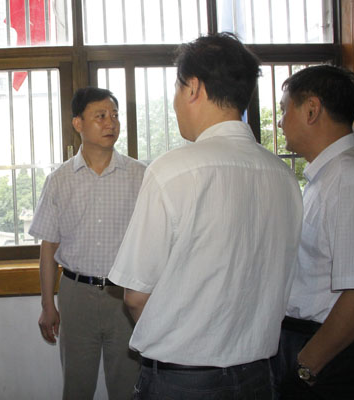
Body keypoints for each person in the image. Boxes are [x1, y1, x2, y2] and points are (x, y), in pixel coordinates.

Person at [107, 32, 303, 399]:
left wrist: (176, 339)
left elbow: (135, 295)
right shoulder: (284, 177)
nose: (175, 102)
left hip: (183, 380)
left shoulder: (173, 170)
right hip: (260, 376)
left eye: (177, 88)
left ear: (194, 87)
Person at [29, 86, 146, 400]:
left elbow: (152, 243)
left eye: (115, 116)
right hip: (76, 294)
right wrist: (47, 305)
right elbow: (48, 248)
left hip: (124, 294)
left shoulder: (140, 176)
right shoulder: (59, 180)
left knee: (127, 387)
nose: (111, 123)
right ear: (78, 123)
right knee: (77, 387)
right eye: (101, 116)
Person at [270, 65, 354, 399]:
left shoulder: (349, 177)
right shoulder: (331, 175)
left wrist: (305, 368)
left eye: (284, 110)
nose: (280, 122)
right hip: (317, 345)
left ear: (312, 110)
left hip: (332, 354)